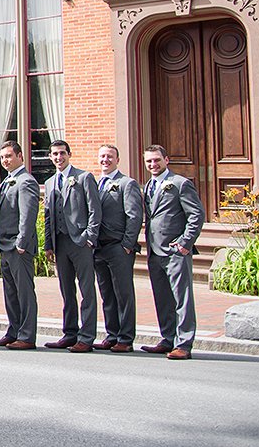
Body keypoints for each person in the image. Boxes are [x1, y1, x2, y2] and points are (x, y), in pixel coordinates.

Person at [141, 144, 205, 360]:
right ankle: (168, 338)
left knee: (182, 297)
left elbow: (196, 214)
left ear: (166, 160)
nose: (153, 164)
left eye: (157, 160)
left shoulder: (180, 184)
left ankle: (184, 343)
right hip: (154, 250)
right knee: (162, 297)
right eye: (149, 161)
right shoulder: (149, 185)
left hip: (175, 251)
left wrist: (185, 242)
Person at [43, 139, 102, 353]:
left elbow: (95, 210)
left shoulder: (84, 177)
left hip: (80, 242)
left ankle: (86, 337)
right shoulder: (50, 182)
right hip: (60, 243)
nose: (58, 158)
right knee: (66, 290)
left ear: (69, 154)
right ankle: (70, 333)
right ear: (50, 157)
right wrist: (49, 244)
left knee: (86, 290)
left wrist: (89, 237)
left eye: (62, 153)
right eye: (54, 154)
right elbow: (48, 214)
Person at [0, 141, 40, 350]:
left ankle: (27, 335)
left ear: (20, 156)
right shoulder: (9, 180)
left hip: (18, 246)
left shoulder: (25, 181)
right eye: (2, 157)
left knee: (24, 292)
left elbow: (28, 215)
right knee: (10, 291)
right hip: (5, 244)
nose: (5, 160)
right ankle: (14, 330)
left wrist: (22, 242)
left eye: (9, 156)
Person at [92, 144, 142, 353]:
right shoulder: (94, 184)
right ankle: (112, 334)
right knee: (107, 294)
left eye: (110, 156)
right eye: (102, 156)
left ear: (117, 160)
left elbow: (134, 216)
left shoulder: (126, 184)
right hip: (99, 248)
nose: (105, 160)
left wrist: (127, 245)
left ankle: (125, 337)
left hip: (118, 247)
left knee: (123, 294)